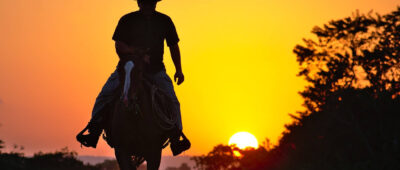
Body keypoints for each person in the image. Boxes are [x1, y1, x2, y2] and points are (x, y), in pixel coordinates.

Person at [76, 0, 190, 156]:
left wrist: (179, 70)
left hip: (155, 71)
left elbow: (173, 46)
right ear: (139, 2)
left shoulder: (165, 21)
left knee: (172, 100)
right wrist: (136, 52)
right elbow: (119, 45)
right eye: (145, 2)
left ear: (155, 3)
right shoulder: (127, 20)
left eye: (151, 3)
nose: (148, 6)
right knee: (104, 96)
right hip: (128, 69)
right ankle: (93, 131)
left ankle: (177, 138)